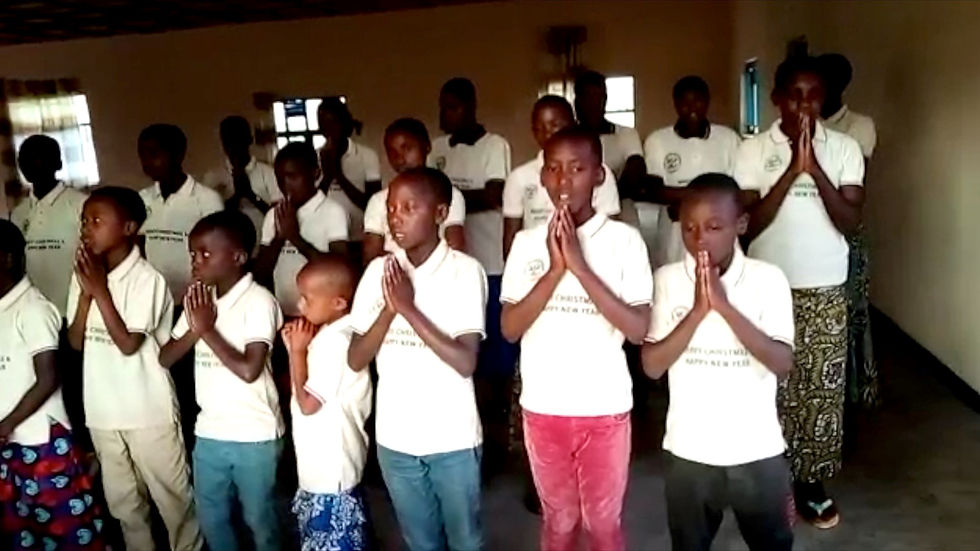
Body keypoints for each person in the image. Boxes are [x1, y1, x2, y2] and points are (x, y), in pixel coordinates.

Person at [500, 127, 653, 551]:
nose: (564, 181)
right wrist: (553, 269)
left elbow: (638, 330)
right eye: (553, 169)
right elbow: (510, 327)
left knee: (603, 526)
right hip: (544, 409)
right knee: (559, 523)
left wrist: (580, 268)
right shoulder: (528, 244)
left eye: (577, 169)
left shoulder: (625, 242)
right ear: (541, 178)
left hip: (604, 410)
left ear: (599, 176)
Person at [736, 55, 865, 529]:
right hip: (767, 284)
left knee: (820, 390)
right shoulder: (752, 151)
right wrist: (792, 169)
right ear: (776, 99)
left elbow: (851, 221)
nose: (805, 104)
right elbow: (747, 227)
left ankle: (811, 484)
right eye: (795, 94)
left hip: (825, 284)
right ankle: (767, 479)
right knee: (767, 385)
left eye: (814, 94)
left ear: (825, 99)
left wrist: (816, 170)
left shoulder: (846, 147)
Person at [641, 173, 794, 551]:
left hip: (756, 449)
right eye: (689, 228)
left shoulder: (768, 280)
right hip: (689, 450)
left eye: (714, 227)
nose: (699, 239)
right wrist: (696, 312)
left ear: (740, 225)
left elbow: (781, 361)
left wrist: (724, 307)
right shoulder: (667, 279)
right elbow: (652, 366)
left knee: (772, 544)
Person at [348, 167, 486, 551]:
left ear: (441, 213)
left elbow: (465, 362)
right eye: (391, 208)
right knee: (420, 541)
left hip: (452, 438)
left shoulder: (464, 271)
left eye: (410, 207)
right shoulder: (379, 271)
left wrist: (407, 308)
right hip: (396, 438)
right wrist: (389, 310)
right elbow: (357, 358)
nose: (396, 218)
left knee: (466, 540)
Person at [66, 187, 202, 551]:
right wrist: (84, 295)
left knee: (173, 501)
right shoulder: (84, 275)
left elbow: (128, 344)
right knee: (125, 504)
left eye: (96, 221)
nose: (86, 228)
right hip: (103, 411)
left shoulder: (147, 279)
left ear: (128, 228)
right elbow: (76, 341)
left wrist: (100, 290)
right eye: (83, 220)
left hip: (147, 411)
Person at [159, 211, 284, 551]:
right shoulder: (199, 301)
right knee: (213, 519)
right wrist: (196, 327)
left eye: (205, 253)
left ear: (239, 257)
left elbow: (249, 370)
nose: (195, 262)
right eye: (192, 254)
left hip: (254, 434)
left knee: (260, 520)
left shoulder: (259, 301)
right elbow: (165, 357)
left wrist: (205, 330)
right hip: (210, 432)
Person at [0, 220, 106, 551]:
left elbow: (48, 377)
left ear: (7, 259)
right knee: (23, 528)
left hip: (41, 439)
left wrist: (6, 424)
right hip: (11, 438)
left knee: (66, 527)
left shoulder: (33, 308)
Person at [429, 77, 517, 441]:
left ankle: (496, 426)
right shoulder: (437, 148)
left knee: (495, 352)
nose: (444, 114)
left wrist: (446, 198)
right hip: (449, 266)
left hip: (490, 261)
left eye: (451, 106)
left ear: (470, 106)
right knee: (459, 344)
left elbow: (496, 195)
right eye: (442, 106)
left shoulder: (495, 146)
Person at [282, 255, 372, 551]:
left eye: (307, 299)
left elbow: (308, 404)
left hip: (330, 472)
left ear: (338, 303)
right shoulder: (330, 334)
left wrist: (296, 353)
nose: (300, 306)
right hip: (324, 466)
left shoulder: (337, 343)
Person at [818, 52, 880, 411]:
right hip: (806, 232)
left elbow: (853, 184)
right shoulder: (801, 123)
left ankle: (852, 390)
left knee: (850, 310)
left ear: (843, 85)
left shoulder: (859, 126)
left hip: (844, 230)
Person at [502, 95, 621, 258]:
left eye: (554, 125)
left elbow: (612, 233)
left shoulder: (597, 173)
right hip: (538, 267)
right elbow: (511, 241)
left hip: (592, 261)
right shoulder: (519, 177)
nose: (547, 134)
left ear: (572, 124)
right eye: (539, 128)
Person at [642, 76, 741, 269]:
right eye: (685, 103)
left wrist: (682, 200)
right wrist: (713, 197)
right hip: (674, 236)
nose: (692, 108)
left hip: (719, 233)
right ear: (675, 104)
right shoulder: (658, 140)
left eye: (698, 101)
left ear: (707, 102)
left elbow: (735, 191)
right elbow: (656, 191)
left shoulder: (728, 139)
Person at [255, 142, 349, 318]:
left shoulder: (333, 212)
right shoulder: (274, 215)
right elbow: (261, 272)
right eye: (280, 177)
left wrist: (295, 237)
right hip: (283, 312)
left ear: (315, 173)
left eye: (292, 176)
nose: (285, 184)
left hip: (320, 315)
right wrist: (279, 238)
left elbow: (340, 269)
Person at [137, 123, 224, 303]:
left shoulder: (207, 200)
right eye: (142, 155)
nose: (146, 162)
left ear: (178, 155)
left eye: (154, 154)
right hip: (155, 298)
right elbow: (139, 246)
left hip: (196, 298)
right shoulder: (142, 198)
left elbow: (217, 252)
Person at [363, 117, 466, 265]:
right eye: (392, 152)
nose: (400, 159)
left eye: (407, 149)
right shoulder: (378, 200)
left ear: (427, 147)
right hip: (392, 280)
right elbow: (371, 254)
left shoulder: (449, 194)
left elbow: (455, 247)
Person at [10, 135, 87, 316]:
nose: (28, 164)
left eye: (37, 157)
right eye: (23, 159)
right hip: (33, 313)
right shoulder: (18, 213)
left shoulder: (81, 205)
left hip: (72, 313)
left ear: (57, 163)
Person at [573, 69, 646, 225]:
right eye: (588, 97)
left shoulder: (625, 134)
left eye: (599, 97)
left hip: (621, 213)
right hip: (578, 215)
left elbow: (635, 174)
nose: (594, 103)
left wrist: (604, 196)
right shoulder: (569, 139)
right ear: (577, 102)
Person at [203, 115, 281, 241]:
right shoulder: (213, 177)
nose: (233, 146)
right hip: (228, 246)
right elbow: (213, 220)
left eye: (238, 139)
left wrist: (251, 196)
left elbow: (278, 218)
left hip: (264, 246)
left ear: (249, 139)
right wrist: (237, 196)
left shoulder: (269, 173)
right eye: (228, 141)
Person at [316, 97, 382, 246]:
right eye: (323, 124)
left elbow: (372, 204)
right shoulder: (315, 157)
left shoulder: (367, 155)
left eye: (333, 122)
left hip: (359, 237)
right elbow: (312, 203)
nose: (329, 130)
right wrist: (327, 177)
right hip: (326, 239)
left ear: (344, 123)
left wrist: (338, 174)